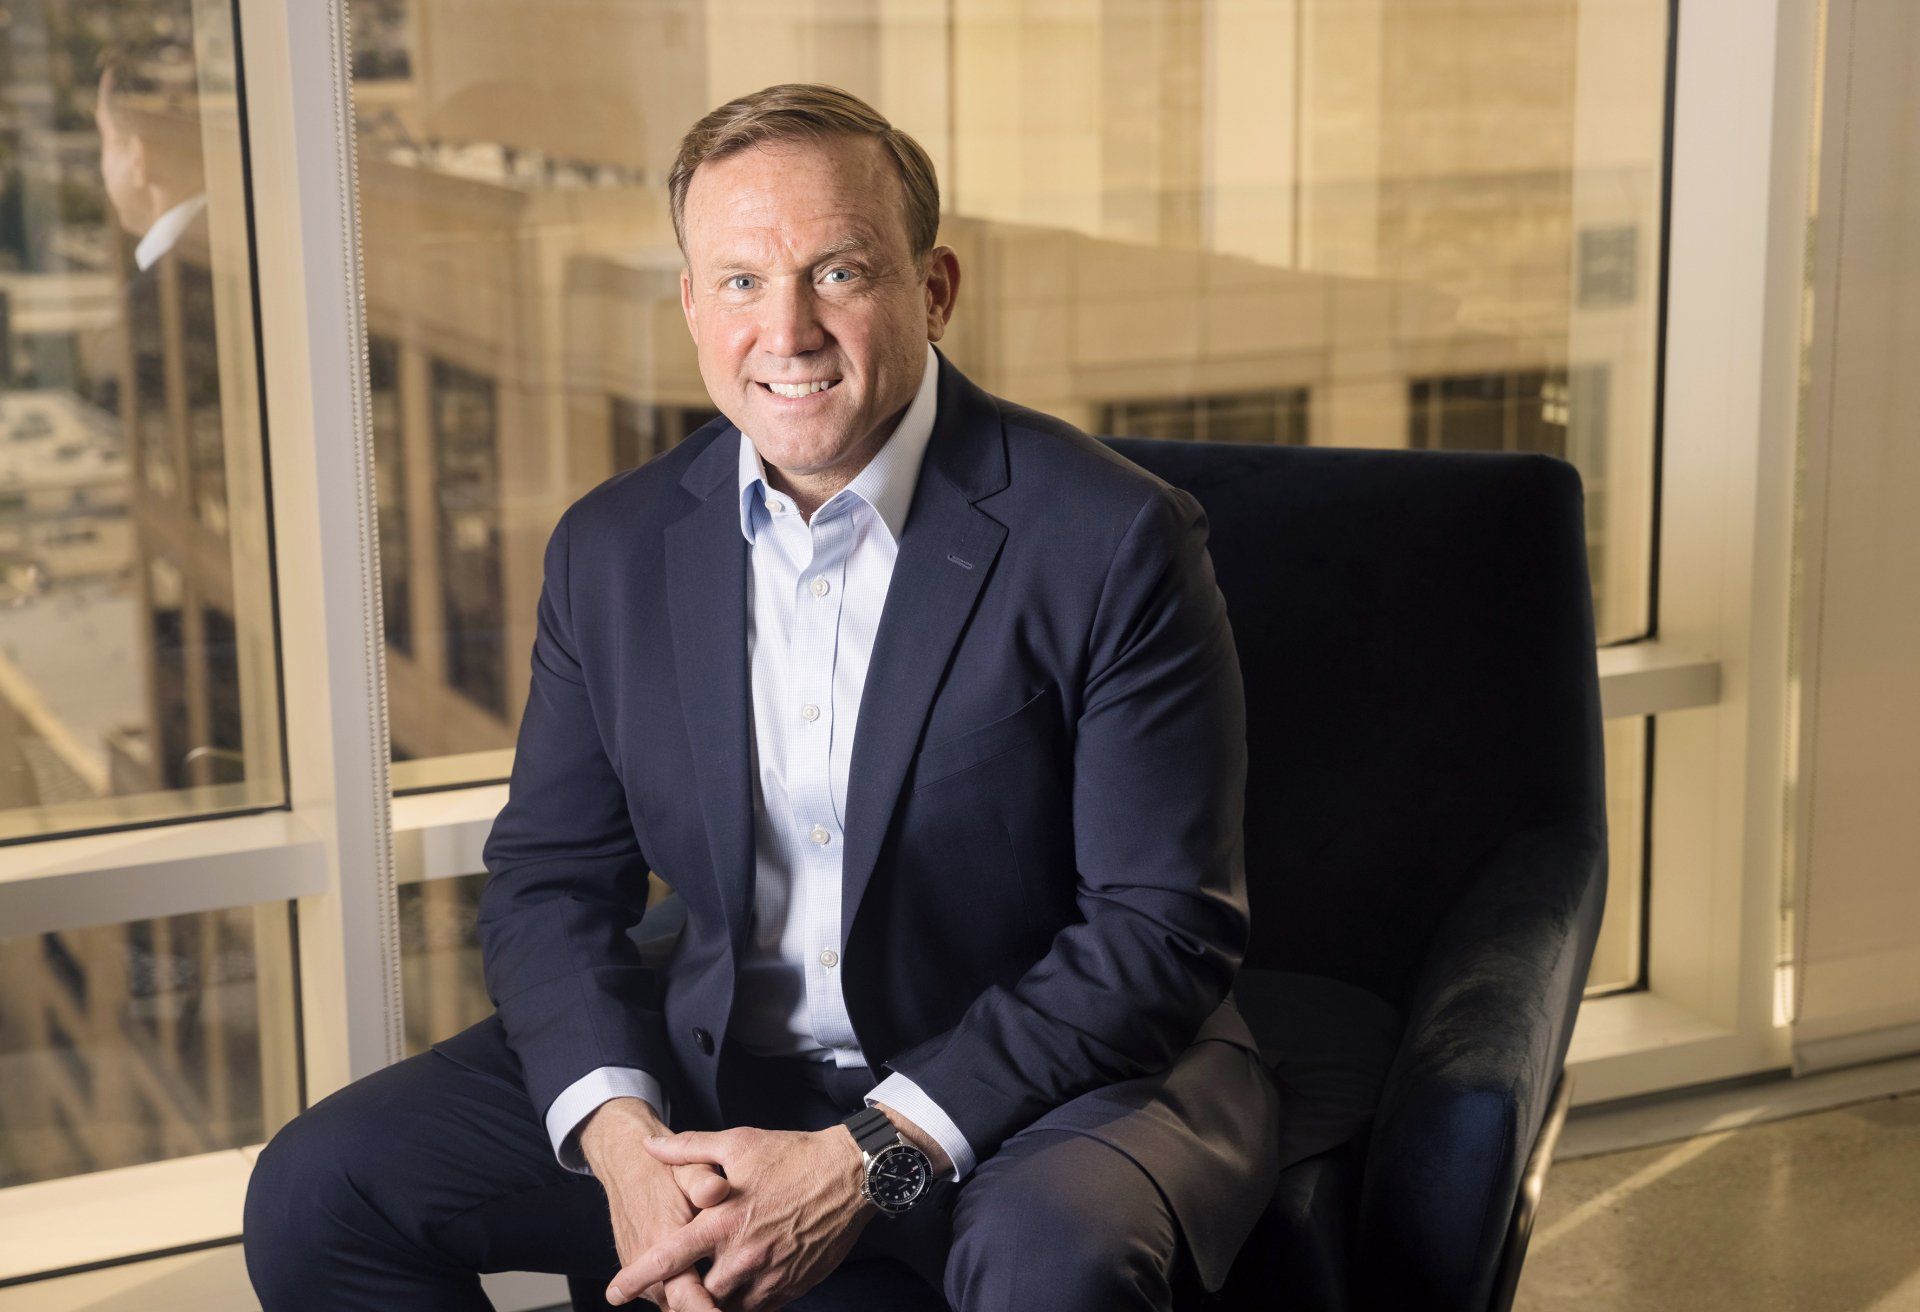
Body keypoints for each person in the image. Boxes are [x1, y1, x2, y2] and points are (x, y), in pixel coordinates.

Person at [243, 83, 1282, 1312]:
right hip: (722, 1060)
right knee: (320, 1192)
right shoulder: (612, 549)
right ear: (690, 304)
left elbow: (1157, 929)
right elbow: (551, 881)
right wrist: (623, 1142)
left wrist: (866, 1161)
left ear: (934, 288)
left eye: (837, 272)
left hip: (1045, 1082)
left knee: (1055, 1261)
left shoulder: (1110, 537)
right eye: (739, 281)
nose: (785, 331)